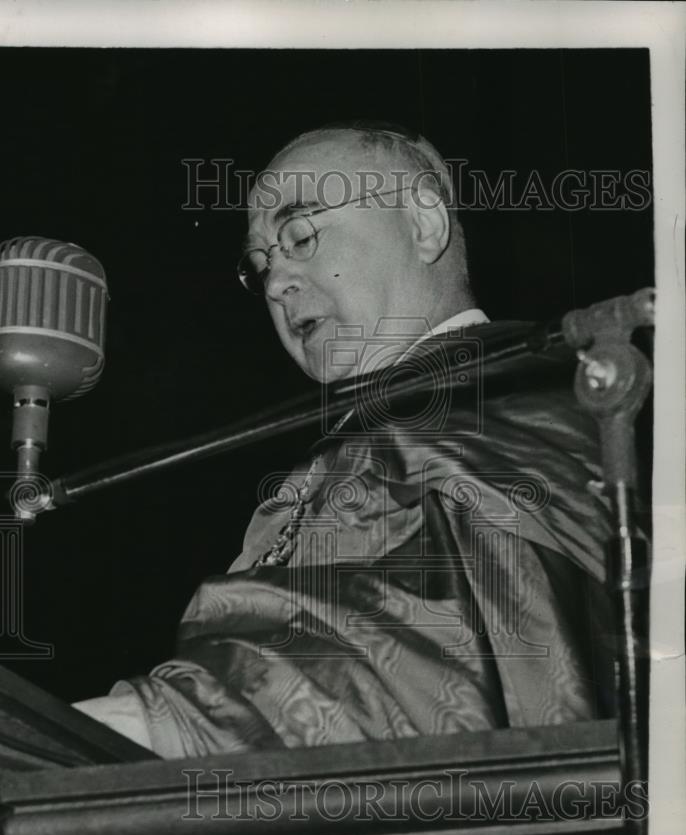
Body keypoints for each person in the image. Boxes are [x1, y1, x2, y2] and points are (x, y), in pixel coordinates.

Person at [74, 122, 613, 757]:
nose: (276, 284)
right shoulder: (324, 461)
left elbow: (445, 657)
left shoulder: (525, 405)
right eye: (260, 263)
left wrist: (167, 721)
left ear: (424, 225)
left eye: (300, 235)